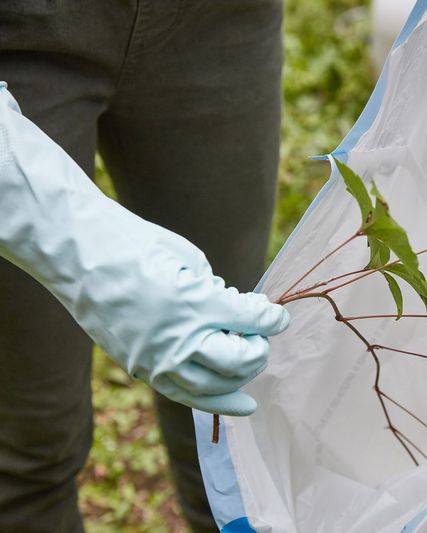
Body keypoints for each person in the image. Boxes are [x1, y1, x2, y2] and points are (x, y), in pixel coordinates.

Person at [0, 1, 286, 531]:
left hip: (217, 23)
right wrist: (63, 234)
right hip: (15, 36)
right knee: (26, 448)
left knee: (230, 390)